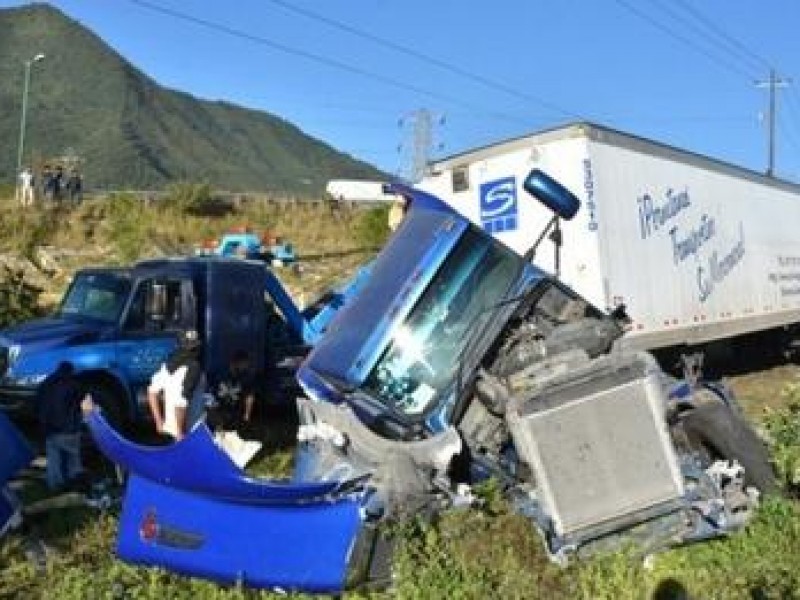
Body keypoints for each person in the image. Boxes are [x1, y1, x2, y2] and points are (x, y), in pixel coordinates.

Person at [147, 329, 206, 441]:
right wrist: (180, 433)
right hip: (189, 434)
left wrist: (159, 422)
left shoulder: (167, 366)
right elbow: (181, 402)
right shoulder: (194, 368)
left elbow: (151, 392)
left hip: (169, 432)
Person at [36, 363, 85, 491]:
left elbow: (40, 406)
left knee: (54, 459)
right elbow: (81, 405)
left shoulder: (46, 384)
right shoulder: (75, 385)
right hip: (71, 430)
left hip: (52, 430)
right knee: (74, 458)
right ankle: (75, 483)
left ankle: (55, 485)